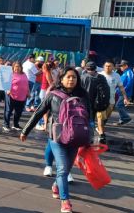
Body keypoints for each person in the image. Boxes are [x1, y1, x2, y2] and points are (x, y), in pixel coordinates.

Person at [20, 67, 91, 213]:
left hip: (75, 137)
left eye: (74, 77)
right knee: (63, 169)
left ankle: (56, 185)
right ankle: (65, 202)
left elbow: (89, 116)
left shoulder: (83, 95)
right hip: (57, 138)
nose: (71, 80)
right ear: (62, 79)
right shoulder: (53, 95)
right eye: (68, 77)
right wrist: (25, 130)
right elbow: (38, 113)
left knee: (66, 169)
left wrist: (90, 137)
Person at [98, 60, 129, 144]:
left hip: (111, 101)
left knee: (106, 117)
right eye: (106, 66)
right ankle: (101, 134)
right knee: (100, 117)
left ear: (114, 67)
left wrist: (125, 98)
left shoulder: (117, 76)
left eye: (110, 66)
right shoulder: (100, 75)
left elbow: (121, 87)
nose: (108, 67)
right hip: (100, 101)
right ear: (104, 67)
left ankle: (100, 128)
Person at [3, 62, 29, 132]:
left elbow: (26, 84)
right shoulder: (10, 74)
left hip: (22, 96)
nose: (17, 68)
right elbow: (5, 83)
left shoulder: (24, 74)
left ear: (21, 67)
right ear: (13, 67)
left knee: (18, 111)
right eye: (15, 66)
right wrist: (7, 90)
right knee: (9, 110)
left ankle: (15, 124)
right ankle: (6, 125)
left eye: (18, 66)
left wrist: (28, 92)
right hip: (11, 95)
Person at [114, 60, 134, 126]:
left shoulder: (129, 72)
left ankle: (127, 118)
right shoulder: (125, 72)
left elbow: (129, 83)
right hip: (121, 93)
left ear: (126, 66)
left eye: (122, 66)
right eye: (120, 66)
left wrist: (123, 90)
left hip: (125, 93)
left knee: (118, 105)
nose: (120, 67)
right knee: (121, 106)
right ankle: (122, 120)